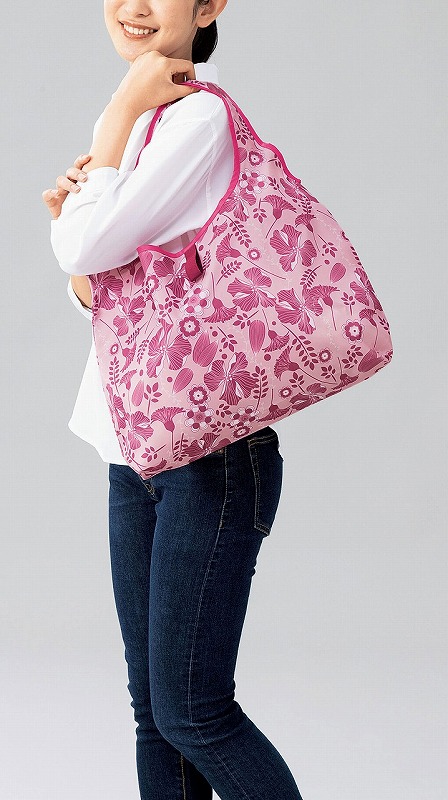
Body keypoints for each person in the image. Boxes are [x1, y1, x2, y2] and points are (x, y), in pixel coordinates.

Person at [43, 2, 304, 798]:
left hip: (207, 461)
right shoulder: (149, 123)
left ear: (209, 4)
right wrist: (84, 240)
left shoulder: (192, 119)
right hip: (135, 450)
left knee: (194, 713)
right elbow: (107, 296)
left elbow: (82, 242)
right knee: (155, 713)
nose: (134, 6)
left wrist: (115, 122)